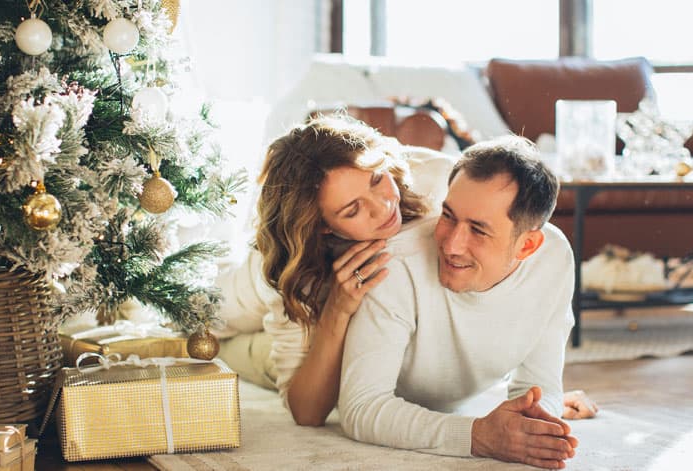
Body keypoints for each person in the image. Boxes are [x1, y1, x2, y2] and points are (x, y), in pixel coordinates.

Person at [212, 116, 597, 428]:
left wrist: (540, 396)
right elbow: (308, 412)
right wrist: (338, 310)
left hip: (365, 332)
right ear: (324, 225)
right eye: (353, 210)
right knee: (207, 324)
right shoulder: (298, 266)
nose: (383, 207)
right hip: (270, 289)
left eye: (377, 179)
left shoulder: (435, 179)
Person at [338, 135, 579, 468]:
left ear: (527, 246)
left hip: (444, 395)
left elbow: (539, 386)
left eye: (478, 230)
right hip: (297, 333)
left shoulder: (553, 259)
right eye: (448, 216)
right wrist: (477, 435)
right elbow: (360, 408)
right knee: (240, 327)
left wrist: (535, 424)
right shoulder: (394, 265)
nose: (451, 245)